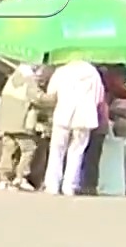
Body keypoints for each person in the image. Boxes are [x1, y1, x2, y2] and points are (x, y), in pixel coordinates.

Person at [42, 57, 103, 195]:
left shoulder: (62, 71)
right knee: (77, 151)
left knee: (57, 150)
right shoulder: (93, 73)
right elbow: (99, 97)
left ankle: (52, 185)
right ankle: (69, 185)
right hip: (84, 116)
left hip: (63, 113)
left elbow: (51, 92)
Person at [0, 63, 48, 190]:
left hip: (6, 122)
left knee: (8, 150)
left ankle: (4, 178)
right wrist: (54, 98)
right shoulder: (29, 81)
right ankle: (21, 177)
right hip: (22, 123)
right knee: (29, 148)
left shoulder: (11, 80)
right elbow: (38, 99)